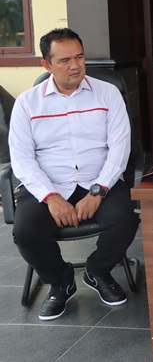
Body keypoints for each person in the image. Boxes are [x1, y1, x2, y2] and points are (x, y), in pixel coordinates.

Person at [9, 28, 140, 321]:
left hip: (99, 179)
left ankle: (98, 271)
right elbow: (22, 158)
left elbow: (120, 148)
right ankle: (60, 281)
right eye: (64, 60)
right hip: (49, 183)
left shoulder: (108, 94)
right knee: (26, 232)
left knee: (125, 219)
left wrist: (98, 191)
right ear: (46, 65)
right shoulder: (27, 103)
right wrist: (50, 197)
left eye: (79, 57)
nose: (75, 65)